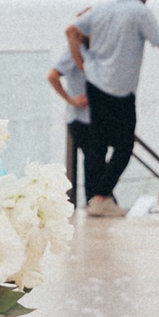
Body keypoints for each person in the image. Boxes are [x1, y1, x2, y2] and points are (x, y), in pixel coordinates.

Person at [68, 0, 159, 216]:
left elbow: (71, 31)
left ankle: (95, 199)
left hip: (95, 85)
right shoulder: (141, 12)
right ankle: (101, 197)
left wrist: (83, 65)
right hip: (120, 91)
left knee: (98, 145)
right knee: (124, 146)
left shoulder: (102, 9)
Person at [48, 22, 93, 206]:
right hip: (80, 117)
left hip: (93, 117)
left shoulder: (92, 51)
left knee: (95, 162)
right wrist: (70, 99)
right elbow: (52, 75)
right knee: (92, 162)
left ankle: (95, 200)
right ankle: (93, 201)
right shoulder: (73, 51)